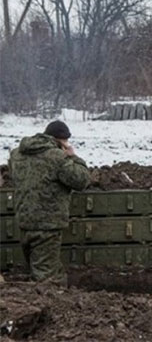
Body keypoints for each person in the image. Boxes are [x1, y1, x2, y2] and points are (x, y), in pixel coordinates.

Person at [8, 120, 90, 286]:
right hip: (47, 226)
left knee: (37, 270)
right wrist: (73, 156)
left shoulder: (17, 154)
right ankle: (47, 307)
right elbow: (81, 180)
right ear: (60, 140)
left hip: (24, 222)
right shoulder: (57, 157)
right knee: (47, 279)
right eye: (65, 141)